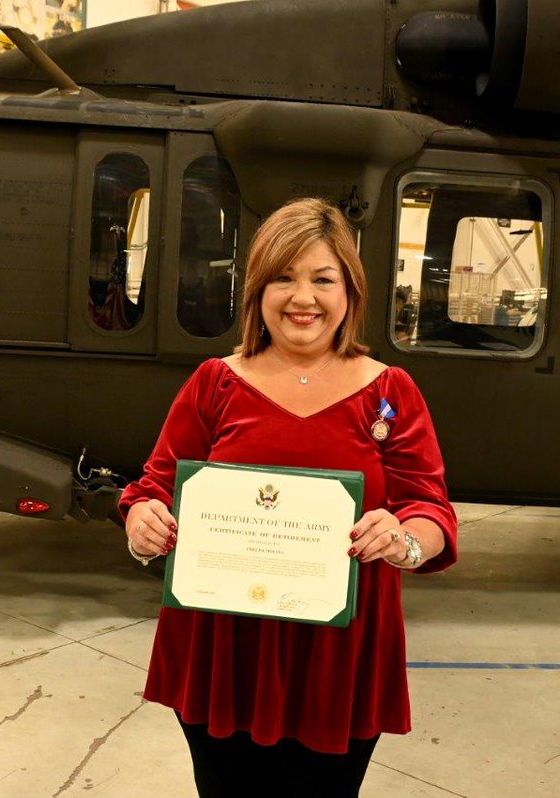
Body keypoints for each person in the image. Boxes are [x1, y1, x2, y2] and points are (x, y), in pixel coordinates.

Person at [119, 197, 458, 797]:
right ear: (257, 292)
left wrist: (402, 540)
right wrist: (143, 519)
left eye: (322, 279)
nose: (303, 298)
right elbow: (155, 486)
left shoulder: (389, 392)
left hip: (338, 656)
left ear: (349, 292)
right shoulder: (214, 384)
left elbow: (429, 508)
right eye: (284, 278)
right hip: (225, 651)